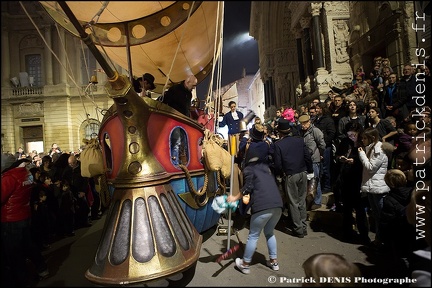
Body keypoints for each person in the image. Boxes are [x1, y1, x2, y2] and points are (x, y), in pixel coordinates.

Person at [226, 124, 283, 275]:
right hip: (278, 205)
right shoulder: (266, 168)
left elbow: (247, 188)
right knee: (270, 232)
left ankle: (245, 264)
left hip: (263, 205)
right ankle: (274, 262)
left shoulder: (250, 169)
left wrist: (234, 197)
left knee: (253, 235)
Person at [1, 158, 49, 286]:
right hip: (24, 215)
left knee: (14, 252)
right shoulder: (26, 174)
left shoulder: (9, 177)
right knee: (28, 245)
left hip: (10, 219)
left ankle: (22, 280)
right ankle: (41, 268)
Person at [273, 119, 314, 238]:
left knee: (293, 202)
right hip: (302, 172)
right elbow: (307, 157)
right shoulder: (299, 141)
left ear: (279, 132)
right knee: (301, 200)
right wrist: (310, 171)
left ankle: (298, 229)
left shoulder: (278, 145)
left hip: (290, 175)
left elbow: (278, 164)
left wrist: (279, 174)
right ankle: (303, 226)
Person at [335, 121, 370, 244]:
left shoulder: (363, 143)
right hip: (346, 177)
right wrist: (341, 158)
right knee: (347, 208)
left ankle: (364, 234)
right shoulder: (345, 142)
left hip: (358, 178)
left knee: (360, 209)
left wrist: (354, 161)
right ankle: (347, 232)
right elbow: (337, 155)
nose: (351, 137)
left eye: (353, 135)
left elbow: (367, 161)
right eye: (349, 135)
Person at [358, 127, 391, 249]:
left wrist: (361, 154)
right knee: (376, 216)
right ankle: (379, 239)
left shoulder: (379, 151)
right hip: (372, 186)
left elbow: (370, 167)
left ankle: (383, 241)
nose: (363, 140)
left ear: (372, 138)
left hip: (378, 187)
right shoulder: (370, 149)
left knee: (381, 216)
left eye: (365, 138)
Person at [298, 114, 326, 211]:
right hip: (305, 160)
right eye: (301, 124)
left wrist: (320, 154)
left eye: (304, 123)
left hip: (314, 159)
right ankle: (309, 200)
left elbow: (322, 144)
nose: (303, 126)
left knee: (315, 180)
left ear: (309, 122)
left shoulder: (315, 131)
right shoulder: (301, 132)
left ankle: (317, 201)